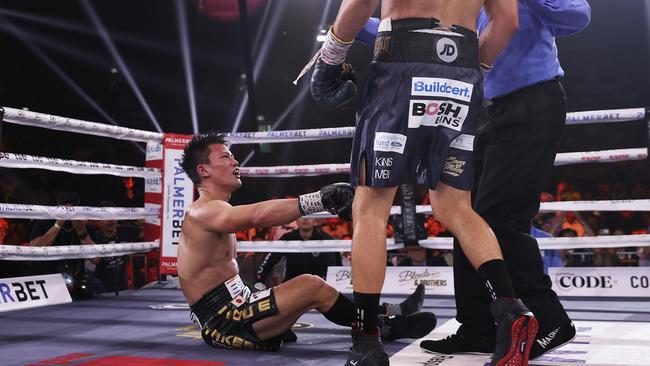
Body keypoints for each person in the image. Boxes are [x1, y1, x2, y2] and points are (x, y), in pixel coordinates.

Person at [307, 1, 536, 365]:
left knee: (370, 204)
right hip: (461, 70)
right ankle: (511, 310)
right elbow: (506, 20)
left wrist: (331, 55)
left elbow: (362, 3)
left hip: (401, 61)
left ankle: (367, 339)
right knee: (454, 204)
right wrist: (474, 66)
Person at [418, 0, 591, 360]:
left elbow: (579, 15)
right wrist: (349, 35)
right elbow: (420, 35)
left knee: (501, 219)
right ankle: (478, 326)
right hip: (484, 113)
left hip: (533, 104)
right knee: (464, 217)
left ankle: (551, 320)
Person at [177, 132, 436, 353]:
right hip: (225, 322)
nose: (235, 161)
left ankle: (385, 314)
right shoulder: (202, 212)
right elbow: (258, 215)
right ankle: (382, 326)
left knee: (304, 290)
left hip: (240, 305)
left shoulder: (214, 209)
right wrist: (318, 200)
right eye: (225, 157)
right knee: (311, 285)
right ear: (203, 170)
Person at [254, 217, 341, 286]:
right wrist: (260, 281)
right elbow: (269, 260)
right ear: (296, 220)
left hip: (319, 287)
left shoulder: (326, 240)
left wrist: (338, 284)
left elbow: (338, 267)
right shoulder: (287, 238)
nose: (305, 219)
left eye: (309, 216)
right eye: (301, 216)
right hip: (291, 286)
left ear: (315, 220)